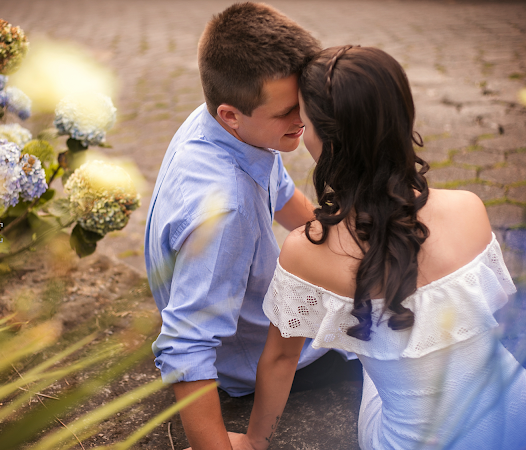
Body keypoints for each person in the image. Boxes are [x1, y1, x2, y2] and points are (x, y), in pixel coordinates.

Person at [233, 46, 526, 449]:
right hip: (516, 416)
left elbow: (282, 359)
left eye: (304, 116)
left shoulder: (305, 251)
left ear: (324, 138)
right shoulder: (469, 208)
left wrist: (254, 441)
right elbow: (484, 316)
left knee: (367, 349)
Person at [144, 4, 361, 449]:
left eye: (303, 103)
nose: (302, 120)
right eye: (287, 112)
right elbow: (185, 345)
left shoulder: (229, 124)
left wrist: (342, 245)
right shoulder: (226, 212)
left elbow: (283, 196)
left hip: (258, 325)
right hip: (264, 357)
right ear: (231, 114)